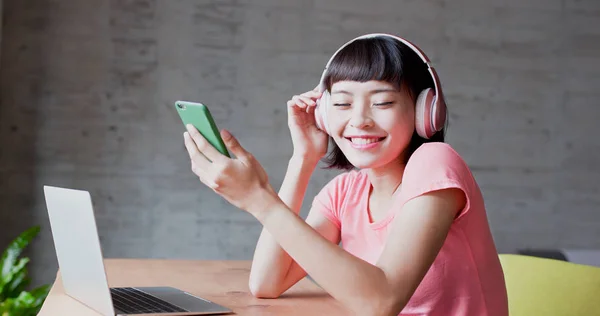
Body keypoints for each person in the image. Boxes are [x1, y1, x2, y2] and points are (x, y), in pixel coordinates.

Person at [182, 33, 509, 316]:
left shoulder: (436, 162)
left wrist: (259, 199)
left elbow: (381, 302)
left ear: (426, 110)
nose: (359, 120)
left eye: (382, 102)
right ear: (324, 114)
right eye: (341, 104)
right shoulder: (345, 193)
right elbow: (267, 282)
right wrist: (304, 157)